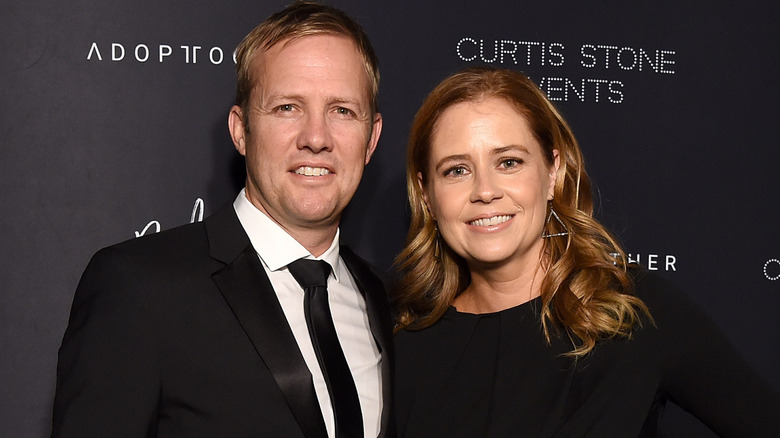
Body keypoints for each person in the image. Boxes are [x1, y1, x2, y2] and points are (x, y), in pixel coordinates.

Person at [52, 2, 393, 437]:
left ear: (371, 138)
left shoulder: (389, 303)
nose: (316, 138)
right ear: (240, 130)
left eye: (342, 110)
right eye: (288, 107)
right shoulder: (139, 287)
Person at [392, 67, 780, 437]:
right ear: (427, 194)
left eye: (509, 162)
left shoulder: (632, 313)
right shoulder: (405, 347)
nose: (485, 191)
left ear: (552, 173)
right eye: (457, 170)